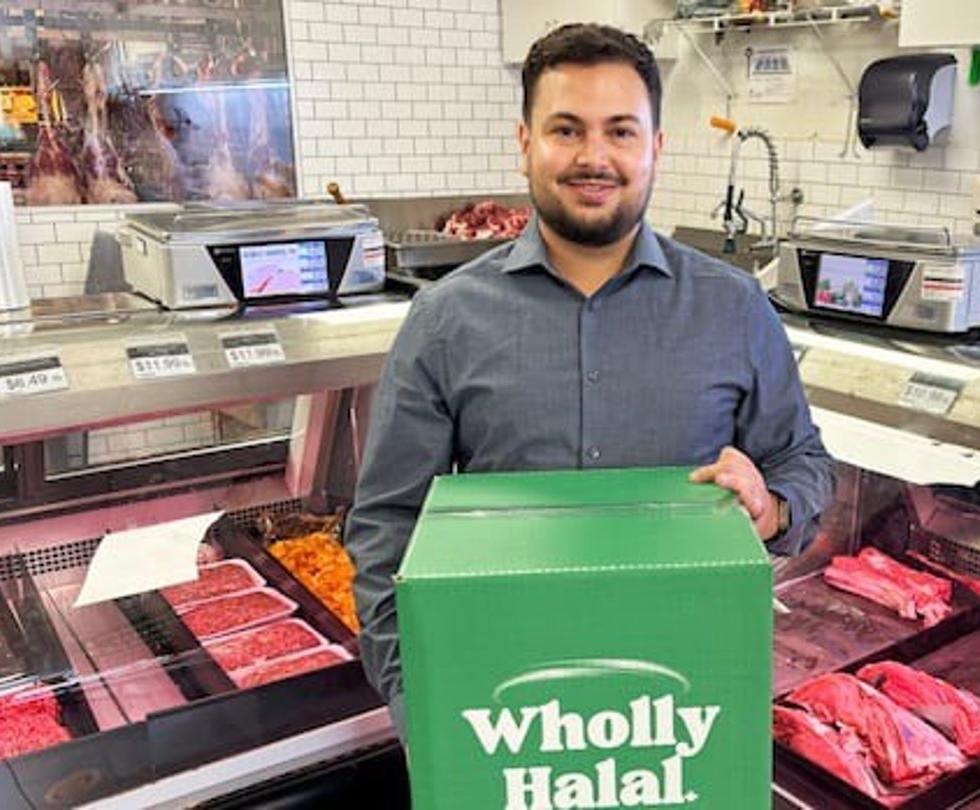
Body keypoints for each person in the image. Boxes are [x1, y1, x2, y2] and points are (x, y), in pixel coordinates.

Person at [345, 22, 834, 733]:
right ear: (525, 145)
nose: (593, 157)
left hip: (686, 706)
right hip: (500, 704)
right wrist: (418, 697)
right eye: (566, 130)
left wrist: (774, 507)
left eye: (621, 132)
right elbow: (387, 527)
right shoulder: (445, 319)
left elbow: (803, 461)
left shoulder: (734, 308)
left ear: (656, 149)